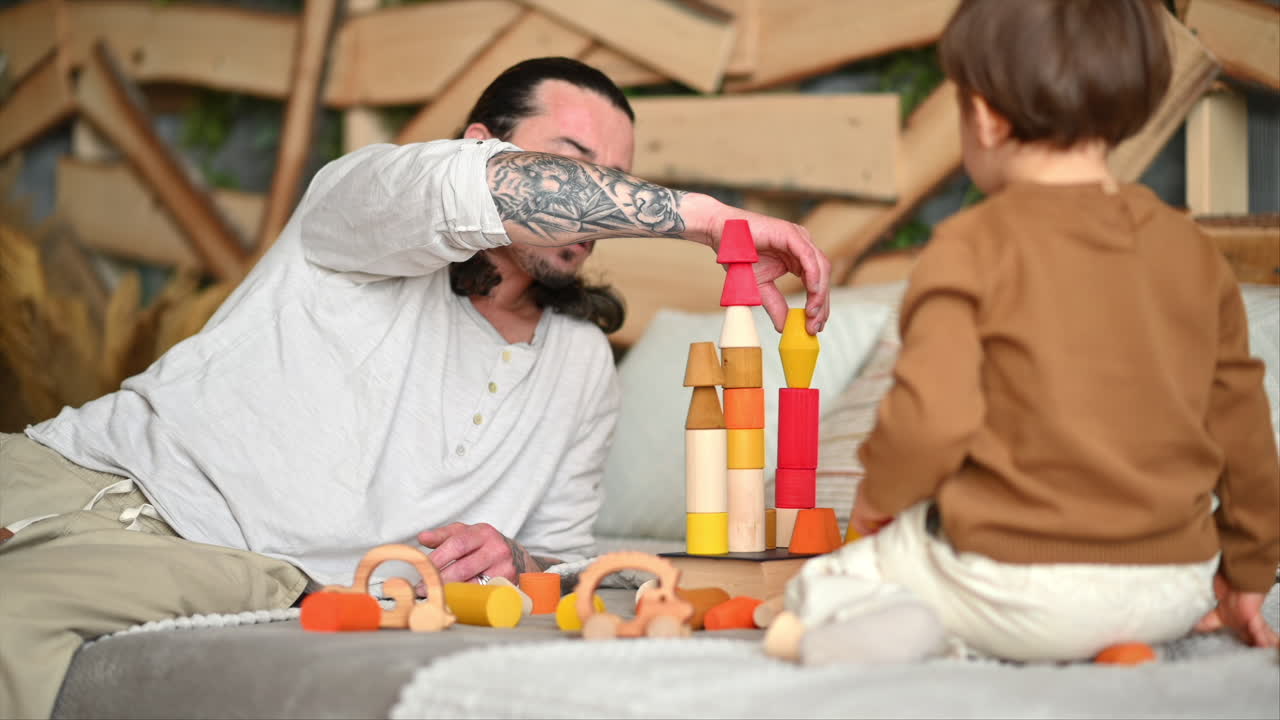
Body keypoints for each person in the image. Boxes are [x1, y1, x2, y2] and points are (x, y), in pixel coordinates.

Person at [0, 57, 832, 718]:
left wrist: (516, 555)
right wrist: (706, 217)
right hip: (65, 467)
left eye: (618, 180)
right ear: (477, 146)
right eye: (578, 170)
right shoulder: (359, 209)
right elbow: (468, 191)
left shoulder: (580, 365)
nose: (604, 206)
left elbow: (562, 552)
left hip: (197, 553)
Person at [765, 0, 1280, 666]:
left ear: (983, 115)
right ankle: (1034, 637)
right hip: (1172, 589)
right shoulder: (1192, 252)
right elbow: (1245, 433)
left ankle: (925, 629)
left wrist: (877, 499)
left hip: (1012, 587)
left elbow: (929, 421)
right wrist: (1247, 575)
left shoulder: (970, 245)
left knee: (835, 575)